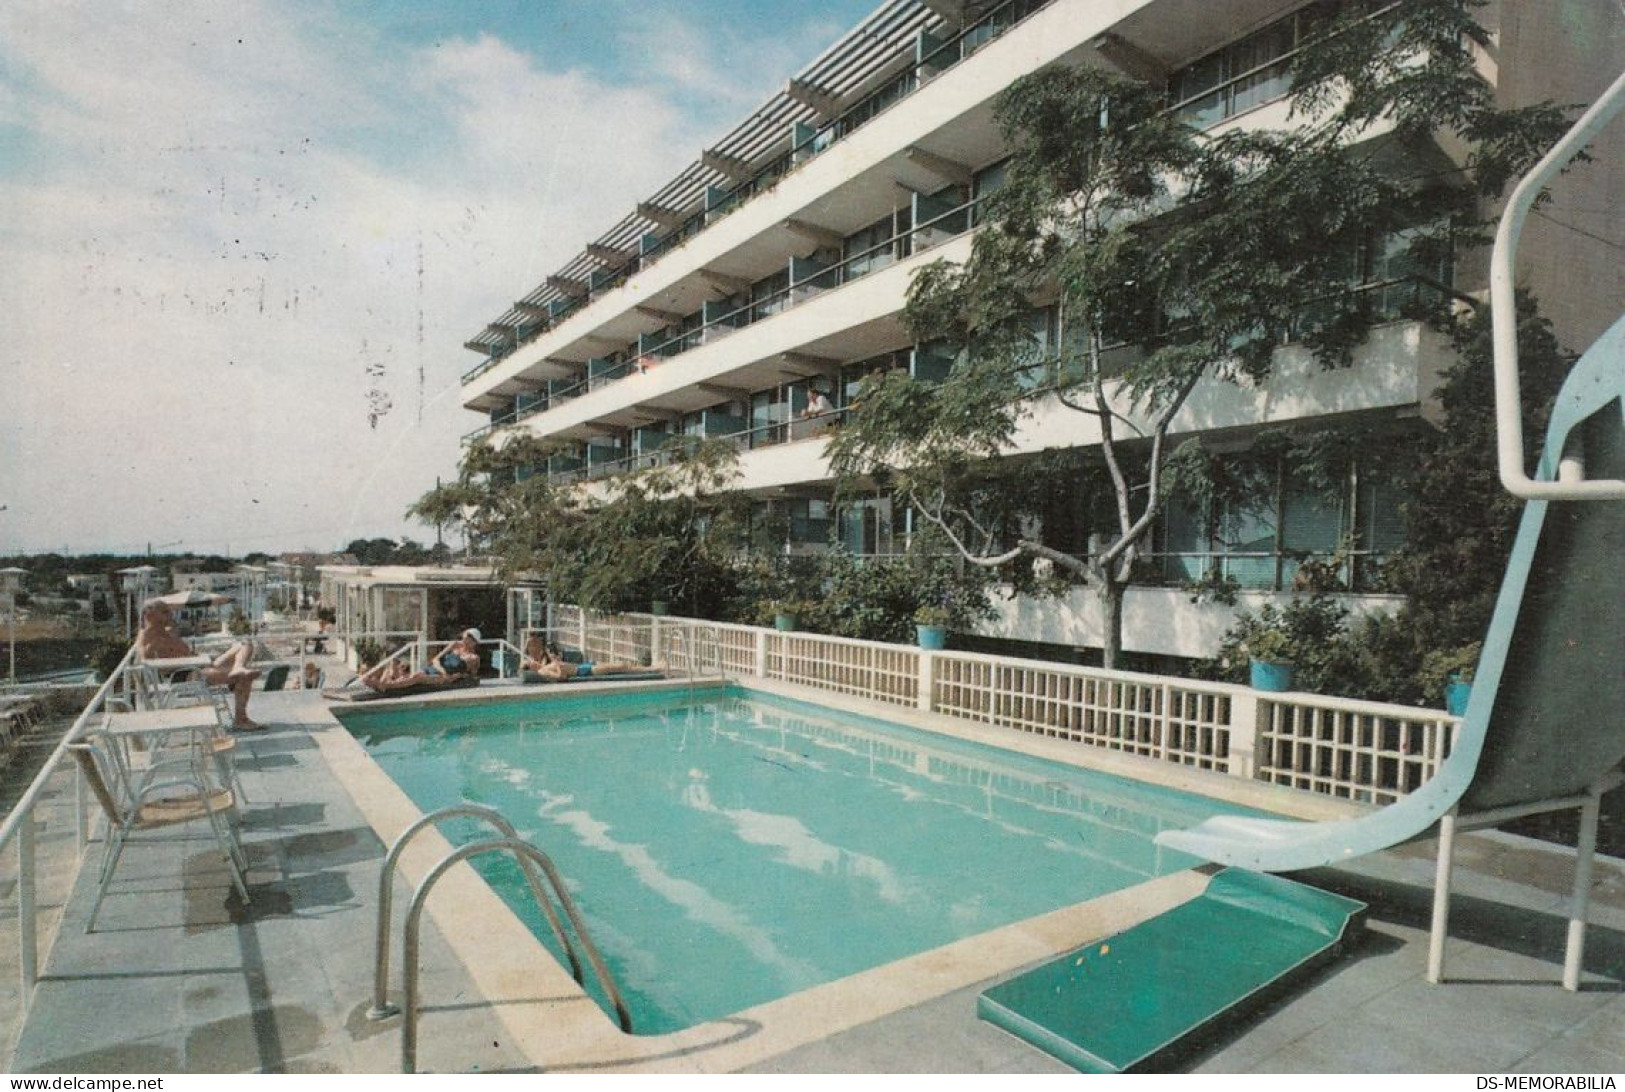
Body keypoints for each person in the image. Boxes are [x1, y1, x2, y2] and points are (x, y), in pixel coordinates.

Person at [137, 601, 264, 731]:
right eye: (165, 612)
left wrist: (198, 657)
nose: (171, 615)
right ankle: (240, 720)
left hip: (199, 664)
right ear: (149, 615)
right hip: (187, 673)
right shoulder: (148, 638)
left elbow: (182, 650)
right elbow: (151, 665)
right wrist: (190, 661)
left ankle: (238, 666)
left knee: (245, 644)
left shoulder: (167, 631)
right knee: (244, 677)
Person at [359, 628, 482, 693]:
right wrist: (440, 668)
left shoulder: (473, 658)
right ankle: (382, 682)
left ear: (473, 642)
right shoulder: (454, 645)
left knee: (417, 676)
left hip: (443, 677)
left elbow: (470, 675)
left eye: (466, 638)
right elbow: (436, 658)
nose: (463, 640)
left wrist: (453, 676)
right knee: (400, 667)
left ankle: (384, 685)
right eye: (464, 637)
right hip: (436, 670)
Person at [521, 636, 647, 682]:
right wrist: (558, 666)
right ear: (531, 668)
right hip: (583, 671)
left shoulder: (544, 665)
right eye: (530, 663)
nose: (532, 661)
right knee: (621, 666)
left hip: (583, 666)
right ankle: (653, 669)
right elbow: (561, 678)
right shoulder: (543, 671)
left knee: (622, 666)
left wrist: (555, 661)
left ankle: (651, 668)